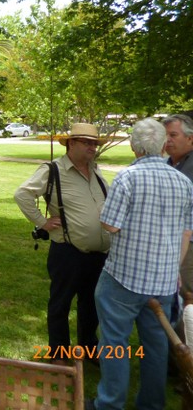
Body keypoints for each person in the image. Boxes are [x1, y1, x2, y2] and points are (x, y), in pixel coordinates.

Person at [91, 118, 193, 410]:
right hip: (163, 282)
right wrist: (173, 268)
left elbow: (110, 225)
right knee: (156, 345)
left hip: (123, 278)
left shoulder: (127, 177)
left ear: (134, 147)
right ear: (162, 146)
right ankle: (151, 404)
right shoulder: (184, 182)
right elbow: (187, 232)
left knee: (114, 342)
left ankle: (110, 403)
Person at [14, 122, 110, 364]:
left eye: (95, 143)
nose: (92, 147)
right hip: (68, 252)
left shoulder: (95, 170)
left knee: (91, 304)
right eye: (87, 143)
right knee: (61, 304)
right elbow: (22, 194)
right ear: (71, 144)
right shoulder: (53, 170)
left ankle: (88, 347)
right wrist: (42, 222)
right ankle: (59, 354)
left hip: (99, 254)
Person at [163, 114, 193, 294]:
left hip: (189, 246)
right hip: (168, 241)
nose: (167, 140)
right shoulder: (166, 164)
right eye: (165, 135)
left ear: (190, 138)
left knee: (187, 296)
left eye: (173, 135)